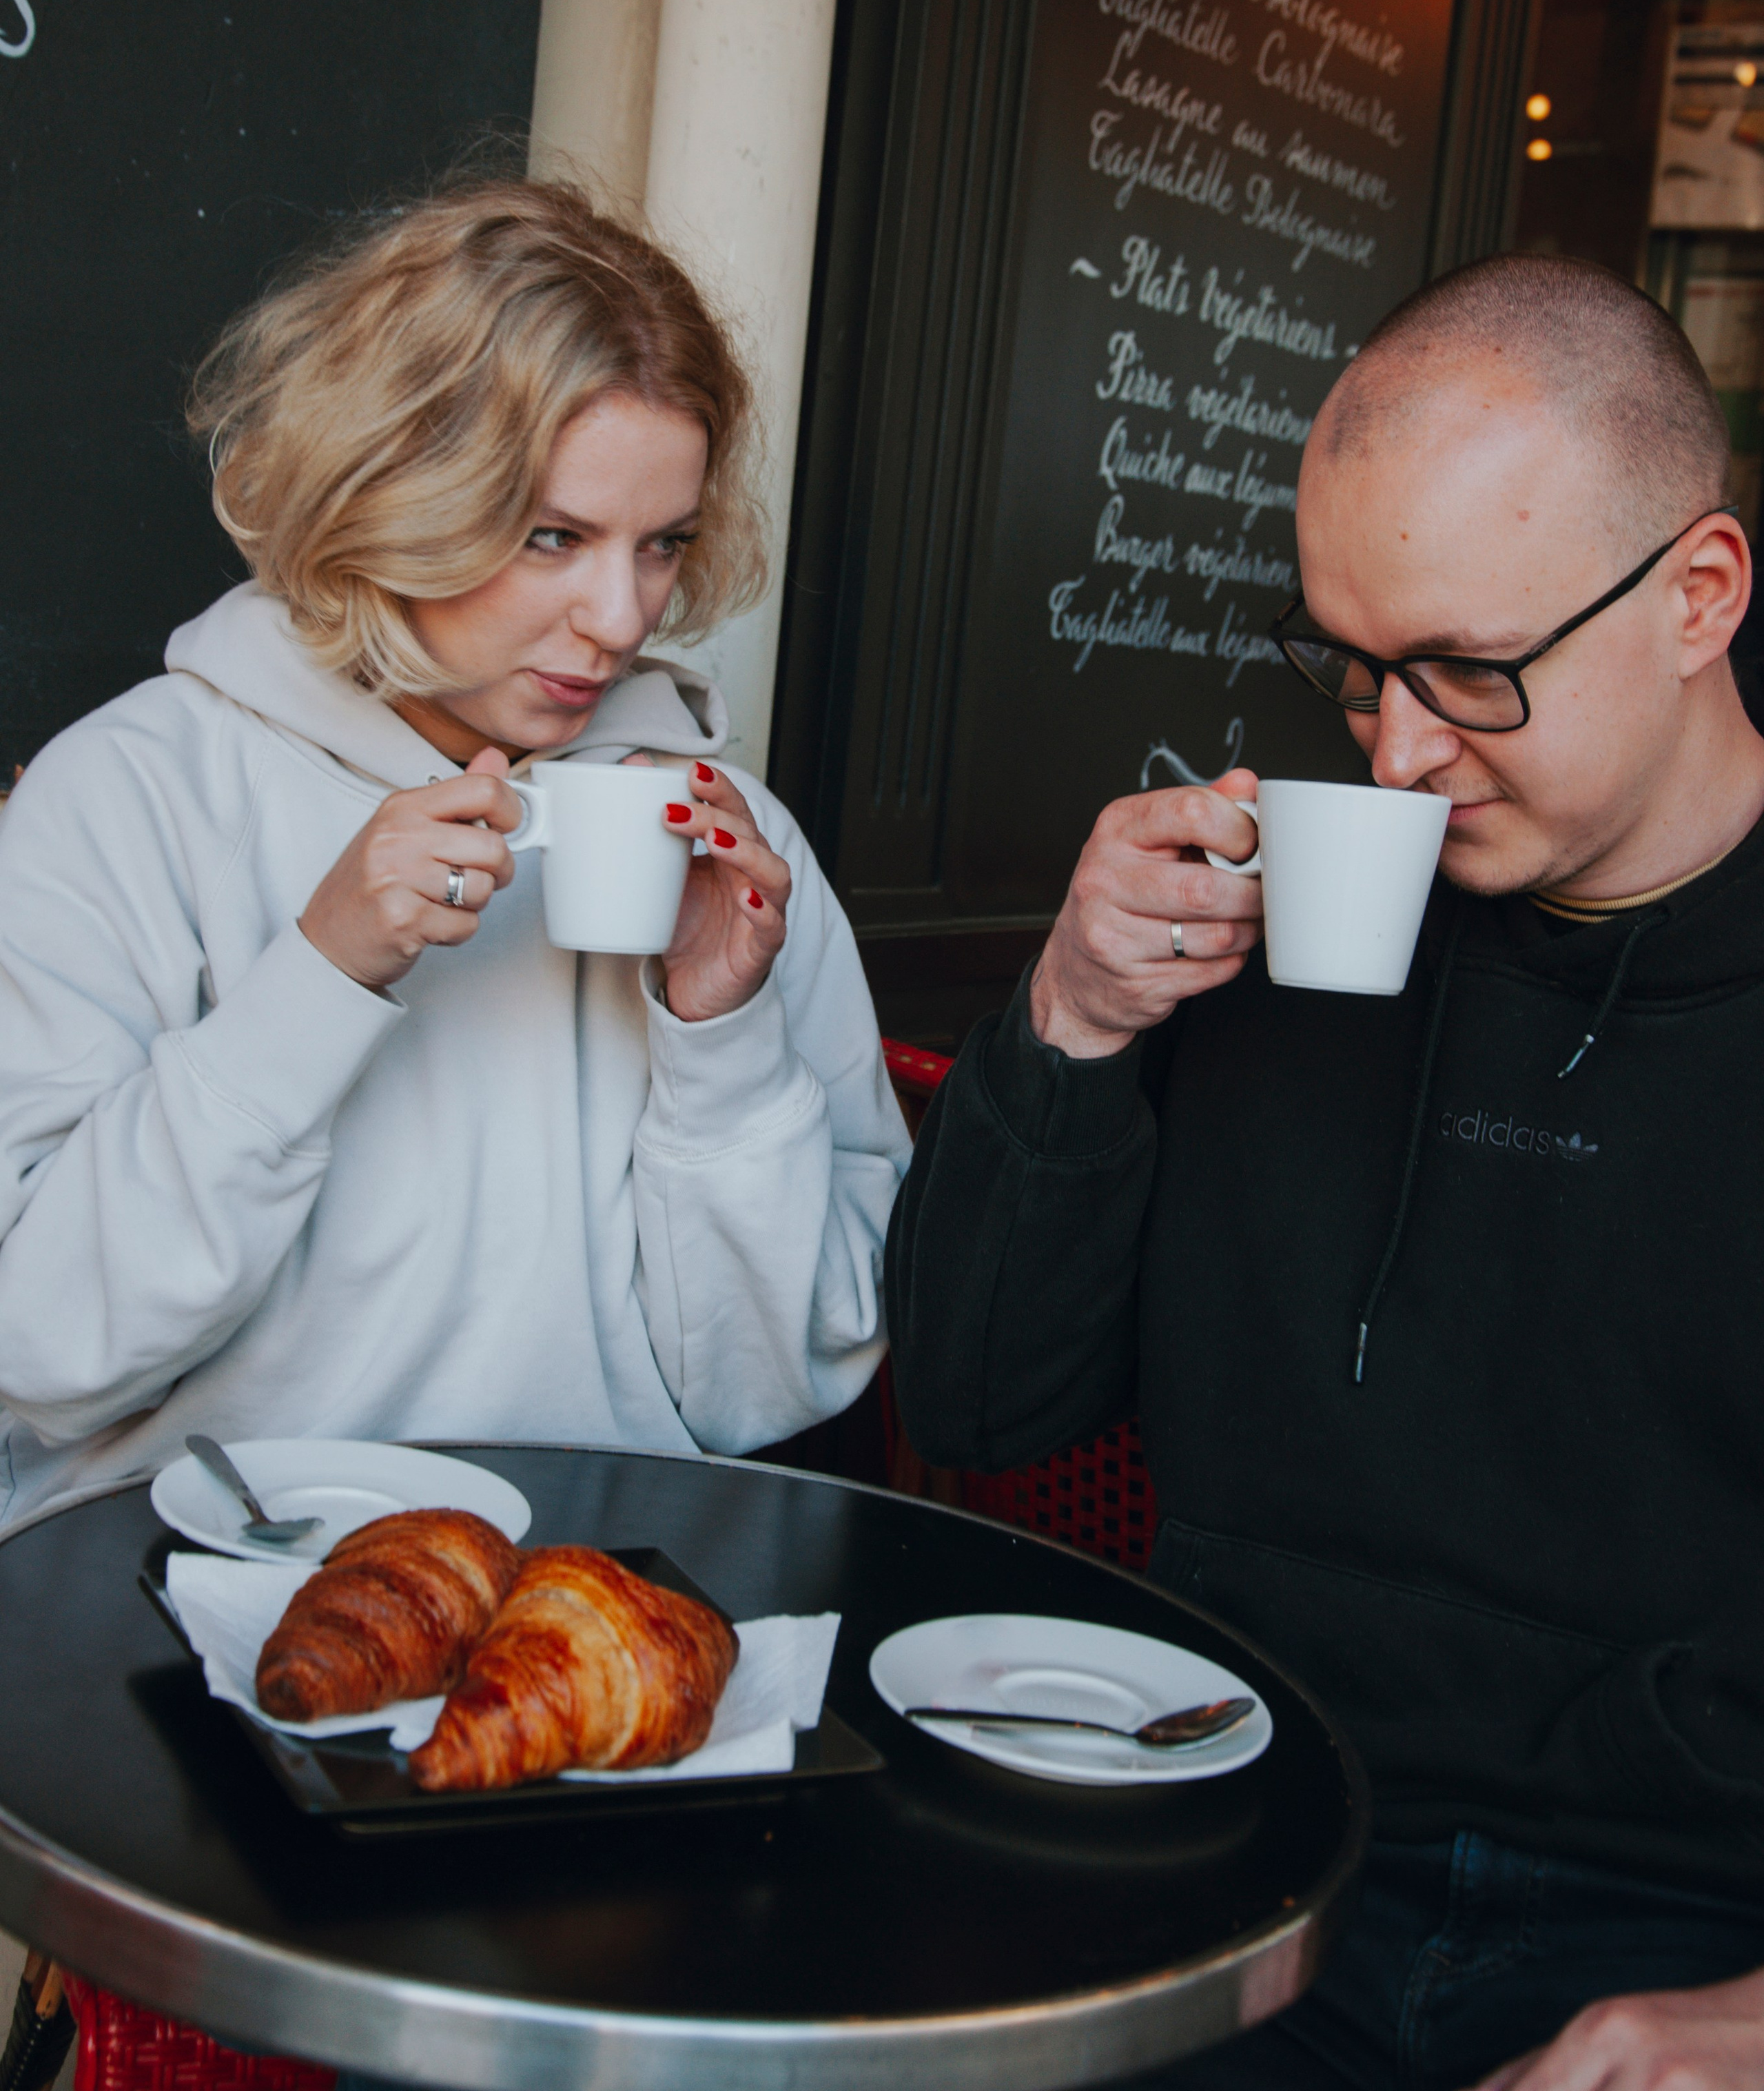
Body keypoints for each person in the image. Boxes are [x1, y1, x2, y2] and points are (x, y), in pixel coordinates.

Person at [887, 256, 1764, 2091]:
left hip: (1696, 1925)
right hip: (1226, 1825)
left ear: (1699, 594)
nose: (1397, 752)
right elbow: (980, 1400)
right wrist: (1073, 1015)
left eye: (1471, 671)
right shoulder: (1271, 927)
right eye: (1354, 667)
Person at [0, 176, 908, 1524]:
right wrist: (317, 976)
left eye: (660, 544)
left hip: (594, 1598)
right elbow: (41, 1352)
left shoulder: (728, 840)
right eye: (552, 535)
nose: (617, 615)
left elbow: (775, 1385)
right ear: (392, 493)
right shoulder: (125, 798)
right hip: (178, 1591)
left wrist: (716, 1035)